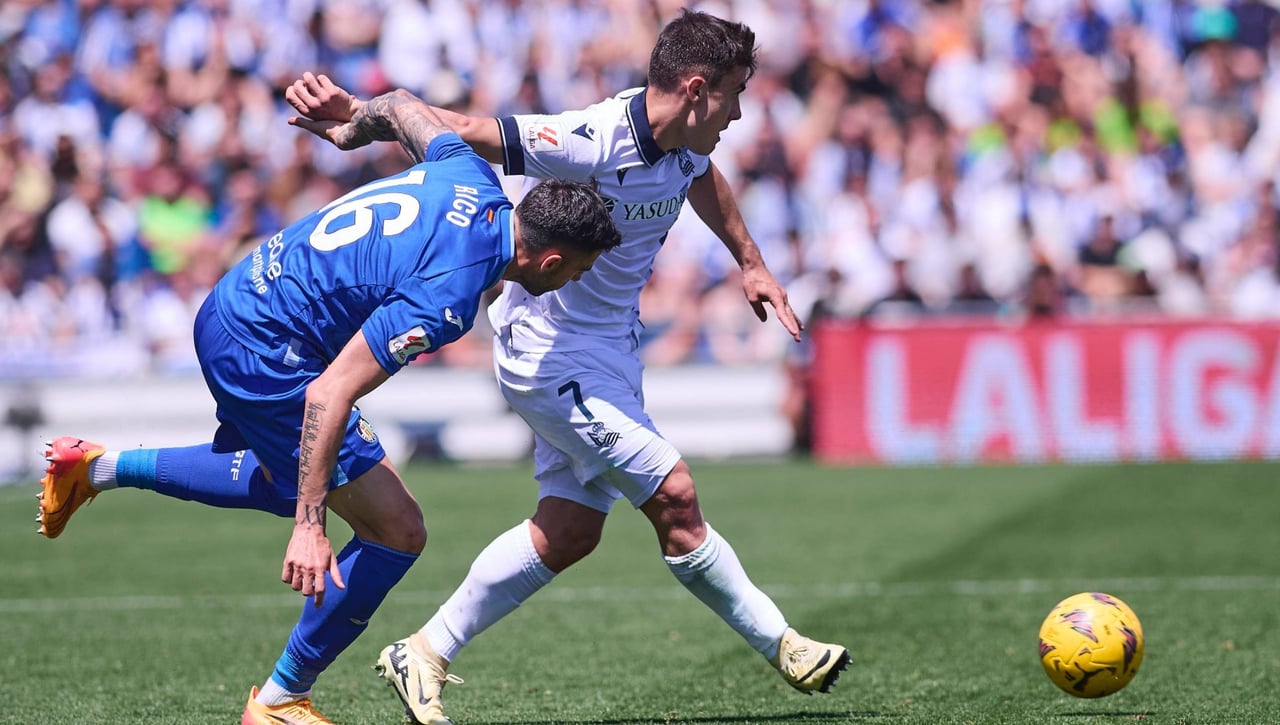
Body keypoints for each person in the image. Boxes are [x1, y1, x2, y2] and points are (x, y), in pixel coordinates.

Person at [287, 9, 850, 725]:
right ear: (700, 89)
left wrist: (751, 262)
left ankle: (424, 650)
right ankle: (785, 644)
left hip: (610, 350)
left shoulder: (685, 142)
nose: (740, 113)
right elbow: (465, 130)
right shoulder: (592, 138)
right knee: (674, 496)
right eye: (736, 95)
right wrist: (357, 120)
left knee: (570, 530)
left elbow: (700, 178)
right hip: (548, 351)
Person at [36, 90, 620, 725]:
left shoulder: (469, 174)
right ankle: (280, 701)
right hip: (266, 349)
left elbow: (399, 106)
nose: (573, 284)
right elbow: (330, 392)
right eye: (577, 272)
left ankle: (94, 468)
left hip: (237, 299)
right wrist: (310, 528)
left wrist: (352, 123)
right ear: (551, 257)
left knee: (298, 476)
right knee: (395, 528)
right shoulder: (449, 295)